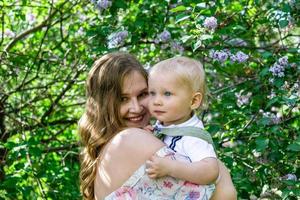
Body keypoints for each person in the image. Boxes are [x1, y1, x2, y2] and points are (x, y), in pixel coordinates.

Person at [78, 52, 237, 200]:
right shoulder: (130, 139)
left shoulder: (114, 148)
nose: (137, 108)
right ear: (103, 106)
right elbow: (225, 194)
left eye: (143, 94)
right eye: (122, 99)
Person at [145, 56, 219, 186]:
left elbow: (210, 171)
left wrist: (170, 167)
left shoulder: (192, 138)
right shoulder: (166, 124)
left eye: (167, 94)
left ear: (193, 101)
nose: (156, 101)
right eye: (152, 93)